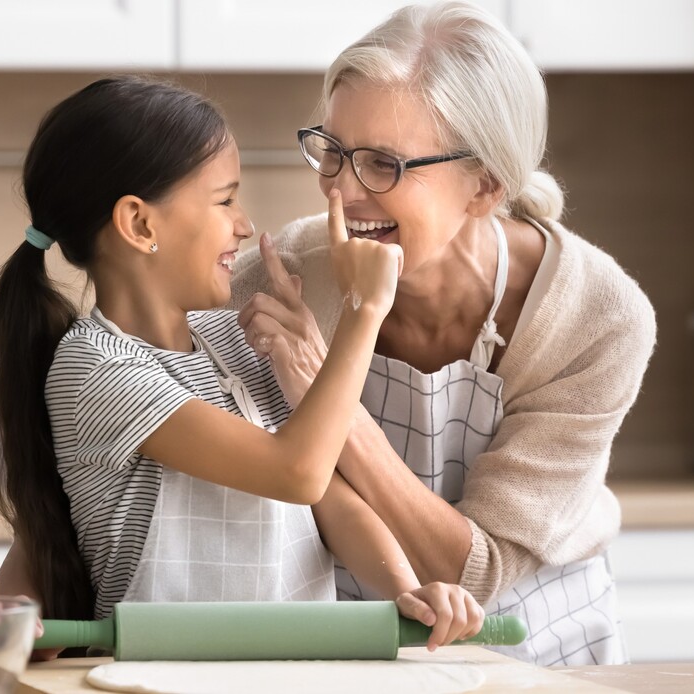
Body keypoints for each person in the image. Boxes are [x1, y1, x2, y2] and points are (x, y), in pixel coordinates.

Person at [0, 75, 485, 659]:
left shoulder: (231, 336)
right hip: (156, 679)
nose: (244, 224)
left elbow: (330, 502)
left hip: (289, 674)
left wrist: (408, 592)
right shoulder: (98, 369)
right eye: (224, 200)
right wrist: (364, 311)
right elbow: (297, 471)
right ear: (141, 225)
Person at [229, 2, 656, 665]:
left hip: (539, 641)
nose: (341, 190)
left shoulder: (595, 317)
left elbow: (477, 571)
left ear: (483, 186)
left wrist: (322, 387)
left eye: (383, 165)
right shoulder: (278, 281)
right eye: (333, 153)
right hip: (346, 641)